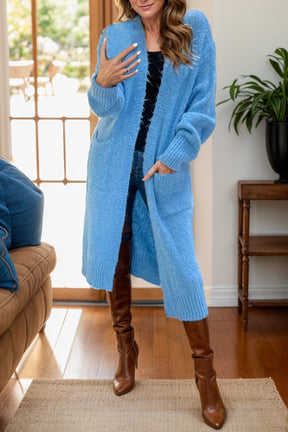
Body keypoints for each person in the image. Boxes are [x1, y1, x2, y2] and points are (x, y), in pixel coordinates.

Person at [82, 0, 226, 429]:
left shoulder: (194, 27)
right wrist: (101, 82)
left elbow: (202, 104)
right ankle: (126, 353)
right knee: (116, 258)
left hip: (163, 167)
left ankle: (207, 378)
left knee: (183, 268)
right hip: (111, 163)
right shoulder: (117, 34)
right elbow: (105, 108)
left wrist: (176, 152)